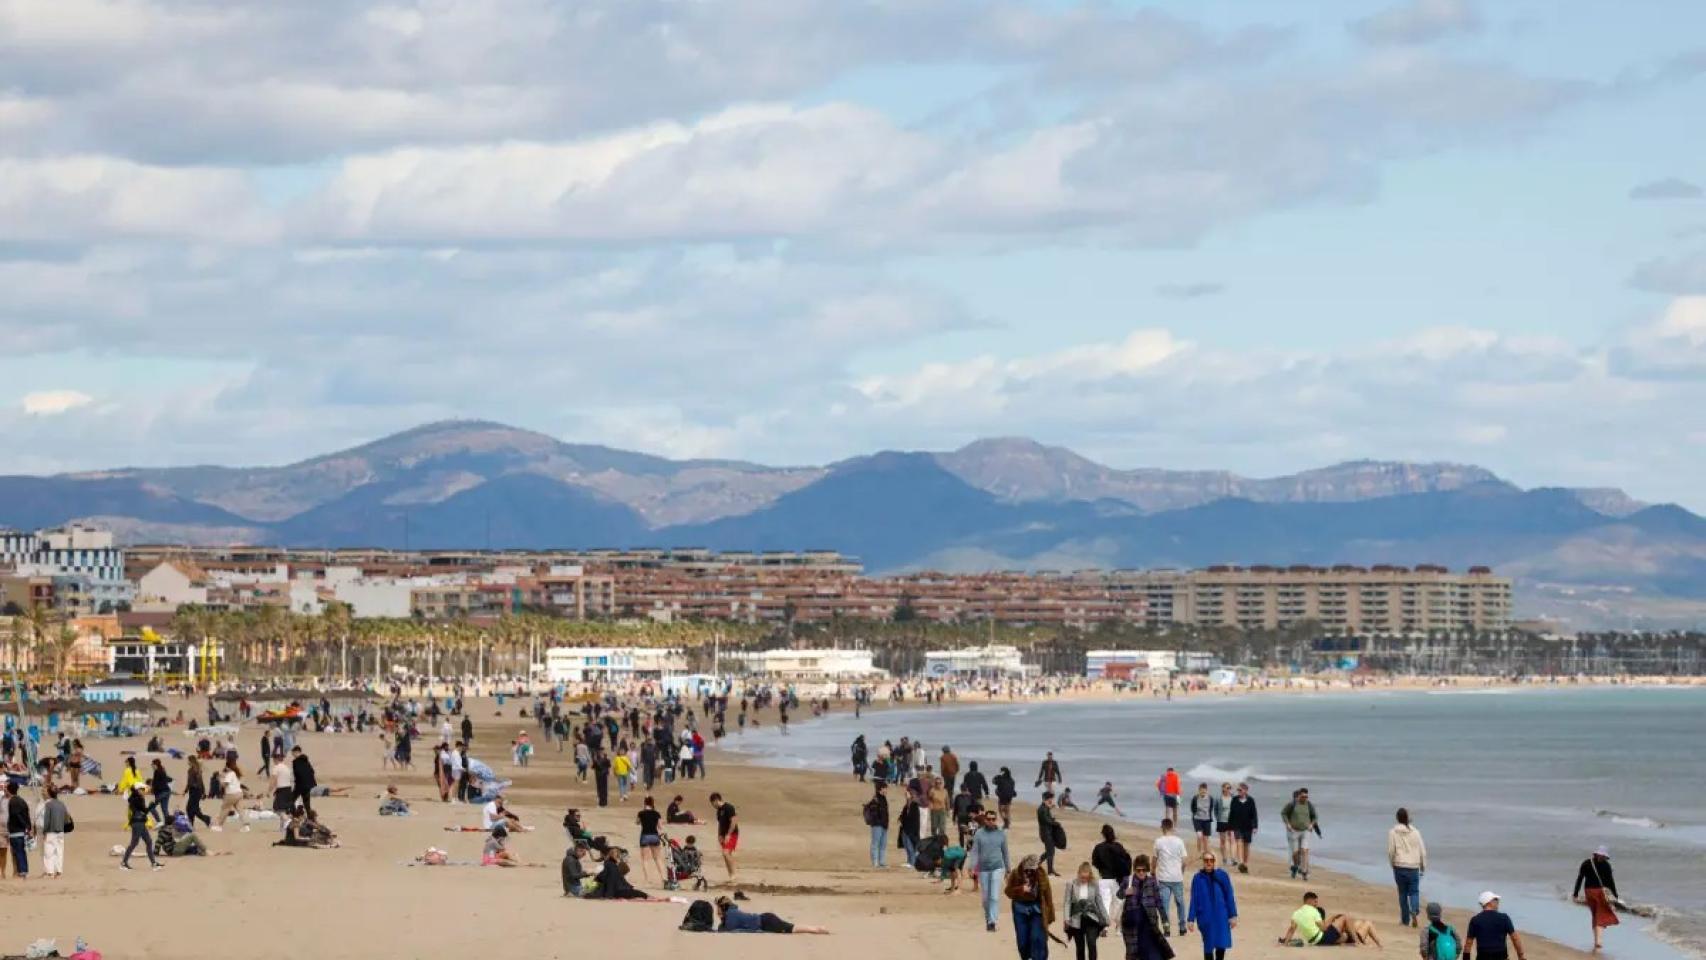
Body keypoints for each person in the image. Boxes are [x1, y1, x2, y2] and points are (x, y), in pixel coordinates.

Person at [1279, 892, 1383, 948]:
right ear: (1309, 901)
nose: (1316, 904)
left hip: (1314, 940)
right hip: (1321, 938)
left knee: (1356, 924)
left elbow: (1291, 930)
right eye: (1315, 902)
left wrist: (1285, 943)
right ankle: (1360, 943)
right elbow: (1324, 928)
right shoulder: (1313, 911)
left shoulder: (1296, 913)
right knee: (1349, 919)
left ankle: (1358, 941)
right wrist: (1332, 918)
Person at [1120, 854, 1174, 960]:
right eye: (1138, 870)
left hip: (1149, 922)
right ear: (1134, 869)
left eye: (1144, 870)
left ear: (1147, 870)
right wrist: (1125, 892)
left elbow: (1158, 901)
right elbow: (1118, 895)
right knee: (1133, 953)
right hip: (1132, 922)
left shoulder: (1152, 881)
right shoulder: (1127, 880)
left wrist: (1165, 921)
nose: (1141, 873)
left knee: (1151, 952)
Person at [1006, 854, 1057, 960]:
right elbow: (1008, 892)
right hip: (1020, 911)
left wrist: (1050, 916)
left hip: (1037, 911)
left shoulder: (1041, 875)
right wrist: (1021, 889)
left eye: (1032, 869)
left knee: (1037, 938)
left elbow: (1048, 896)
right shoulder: (1016, 873)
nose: (1029, 871)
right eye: (1027, 869)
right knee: (1022, 942)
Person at [1187, 853, 1237, 960]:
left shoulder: (1222, 875)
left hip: (1221, 916)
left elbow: (1229, 895)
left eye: (1211, 860)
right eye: (1206, 860)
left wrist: (1233, 915)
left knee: (1221, 943)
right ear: (1203, 862)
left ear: (1215, 861)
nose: (1209, 863)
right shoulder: (1197, 878)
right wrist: (1191, 919)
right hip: (1205, 917)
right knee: (1208, 946)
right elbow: (1194, 899)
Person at [970, 809, 1013, 932]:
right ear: (985, 820)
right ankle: (988, 916)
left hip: (997, 867)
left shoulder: (1001, 834)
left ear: (996, 820)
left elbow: (1005, 852)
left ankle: (992, 922)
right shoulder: (979, 834)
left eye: (993, 819)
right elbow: (975, 852)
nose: (991, 821)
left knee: (994, 896)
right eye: (988, 819)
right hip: (983, 869)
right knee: (985, 898)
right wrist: (972, 867)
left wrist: (1008, 870)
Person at [1572, 846, 1620, 950]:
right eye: (1602, 856)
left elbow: (1580, 878)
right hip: (1599, 893)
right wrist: (1615, 895)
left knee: (1595, 915)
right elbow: (1610, 882)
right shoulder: (1607, 865)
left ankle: (1596, 941)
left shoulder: (1586, 863)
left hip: (1588, 892)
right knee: (1601, 915)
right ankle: (1599, 941)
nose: (1602, 858)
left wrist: (1575, 893)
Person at [1388, 808, 1427, 927]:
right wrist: (1423, 866)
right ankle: (1414, 910)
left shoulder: (1393, 832)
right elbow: (1422, 851)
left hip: (1399, 865)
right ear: (1408, 818)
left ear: (1397, 818)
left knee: (1402, 893)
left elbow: (1391, 851)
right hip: (1413, 866)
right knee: (1414, 892)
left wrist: (1392, 864)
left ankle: (1405, 920)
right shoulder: (1416, 832)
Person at [1066, 861, 1112, 960]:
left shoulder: (1094, 884)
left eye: (1086, 878)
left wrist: (1106, 918)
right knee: (1080, 948)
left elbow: (1099, 902)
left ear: (1089, 876)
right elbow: (1067, 903)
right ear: (1078, 874)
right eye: (1082, 877)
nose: (1084, 880)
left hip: (1091, 918)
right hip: (1076, 918)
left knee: (1092, 944)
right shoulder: (1071, 884)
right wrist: (1066, 919)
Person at [714, 895, 830, 934]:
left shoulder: (731, 915)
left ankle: (816, 929)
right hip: (765, 918)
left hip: (766, 922)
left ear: (722, 908)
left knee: (792, 929)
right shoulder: (732, 912)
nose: (716, 911)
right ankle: (816, 928)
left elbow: (730, 929)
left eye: (718, 908)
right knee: (791, 927)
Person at [1464, 893, 1524, 960]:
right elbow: (1515, 938)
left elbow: (1468, 943)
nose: (1498, 902)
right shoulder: (1504, 918)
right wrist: (1520, 956)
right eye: (1495, 899)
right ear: (1489, 903)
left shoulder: (1475, 920)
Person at [1153, 819, 1188, 933]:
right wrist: (1181, 871)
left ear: (1162, 827)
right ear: (1172, 827)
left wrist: (1153, 871)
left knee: (1165, 904)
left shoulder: (1158, 841)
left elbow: (1154, 859)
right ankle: (1182, 926)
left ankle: (1166, 926)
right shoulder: (1179, 841)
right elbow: (1184, 861)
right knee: (1180, 902)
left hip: (1164, 877)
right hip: (1176, 877)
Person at [1281, 788, 1320, 881]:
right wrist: (1287, 824)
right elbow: (1283, 813)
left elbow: (1315, 816)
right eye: (1303, 796)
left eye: (1306, 797)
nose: (1305, 798)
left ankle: (1304, 871)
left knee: (1304, 850)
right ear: (1299, 796)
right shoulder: (1292, 804)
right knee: (1295, 853)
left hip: (1306, 830)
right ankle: (1295, 866)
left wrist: (1311, 825)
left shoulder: (1309, 805)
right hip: (1294, 831)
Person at [121, 784, 162, 871]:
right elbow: (144, 811)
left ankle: (153, 863)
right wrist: (152, 806)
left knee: (149, 841)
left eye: (144, 789)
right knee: (134, 843)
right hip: (137, 823)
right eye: (142, 789)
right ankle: (124, 863)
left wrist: (152, 806)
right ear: (138, 790)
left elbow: (144, 811)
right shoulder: (137, 799)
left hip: (140, 823)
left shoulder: (136, 798)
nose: (144, 791)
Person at [38, 785, 69, 879]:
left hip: (51, 831)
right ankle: (59, 872)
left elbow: (47, 820)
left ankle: (49, 872)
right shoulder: (62, 804)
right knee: (59, 852)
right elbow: (66, 818)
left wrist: (44, 831)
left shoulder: (49, 804)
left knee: (48, 852)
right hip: (60, 831)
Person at [1227, 784, 1257, 875]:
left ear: (1245, 790)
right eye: (1238, 790)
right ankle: (1240, 862)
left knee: (1246, 845)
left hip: (1248, 826)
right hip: (1237, 826)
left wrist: (1255, 826)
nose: (1239, 792)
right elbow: (1231, 814)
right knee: (1239, 842)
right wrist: (1229, 827)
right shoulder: (1234, 800)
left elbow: (1254, 814)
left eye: (1240, 790)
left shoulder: (1251, 800)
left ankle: (1245, 863)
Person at [5, 781, 31, 879]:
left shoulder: (13, 801)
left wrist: (25, 826)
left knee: (18, 852)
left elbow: (17, 816)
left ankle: (22, 872)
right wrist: (28, 827)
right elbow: (27, 815)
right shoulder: (22, 800)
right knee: (21, 851)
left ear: (9, 790)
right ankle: (24, 871)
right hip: (20, 831)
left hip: (16, 831)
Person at [636, 795, 665, 883]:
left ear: (645, 803)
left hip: (645, 835)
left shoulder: (641, 813)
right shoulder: (656, 813)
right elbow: (660, 827)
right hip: (654, 836)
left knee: (645, 859)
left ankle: (647, 878)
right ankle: (663, 877)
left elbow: (637, 822)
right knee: (657, 858)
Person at [711, 792, 738, 880]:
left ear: (716, 800)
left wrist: (728, 835)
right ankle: (730, 874)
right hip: (723, 835)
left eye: (712, 803)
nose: (713, 806)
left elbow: (733, 821)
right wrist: (719, 835)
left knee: (726, 853)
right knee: (726, 855)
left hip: (732, 833)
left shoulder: (729, 807)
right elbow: (720, 824)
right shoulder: (719, 811)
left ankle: (734, 874)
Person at [865, 782, 891, 868]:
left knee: (883, 844)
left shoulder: (883, 798)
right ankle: (875, 862)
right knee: (875, 843)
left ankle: (882, 862)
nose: (887, 790)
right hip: (877, 825)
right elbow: (874, 814)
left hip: (884, 825)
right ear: (881, 789)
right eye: (885, 788)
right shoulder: (875, 799)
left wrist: (886, 823)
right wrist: (879, 822)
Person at [1189, 784, 1217, 859]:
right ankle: (1199, 852)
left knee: (1206, 838)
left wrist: (1209, 816)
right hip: (1197, 819)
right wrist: (1195, 813)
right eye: (1201, 791)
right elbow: (1192, 808)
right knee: (1199, 836)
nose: (1203, 792)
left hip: (1207, 820)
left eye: (1204, 791)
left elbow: (1211, 808)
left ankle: (1205, 852)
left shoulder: (1210, 798)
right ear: (1199, 790)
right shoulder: (1195, 798)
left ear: (1207, 791)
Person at [1039, 791, 1063, 876]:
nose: (1051, 801)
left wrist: (1052, 818)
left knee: (1050, 851)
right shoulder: (1042, 809)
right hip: (1045, 834)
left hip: (1048, 833)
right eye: (1050, 799)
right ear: (1046, 799)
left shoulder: (1045, 808)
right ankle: (1050, 871)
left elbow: (1048, 819)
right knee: (1050, 852)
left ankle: (1038, 863)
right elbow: (1046, 820)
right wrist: (1055, 823)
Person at [291, 747, 318, 815]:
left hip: (300, 785)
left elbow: (297, 773)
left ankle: (294, 813)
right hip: (308, 784)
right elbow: (312, 771)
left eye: (293, 753)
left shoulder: (296, 762)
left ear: (297, 752)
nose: (293, 755)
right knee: (306, 802)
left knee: (291, 800)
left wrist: (298, 783)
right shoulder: (306, 760)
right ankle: (309, 816)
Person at [147, 758, 174, 822]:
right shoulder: (161, 770)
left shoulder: (157, 772)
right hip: (167, 792)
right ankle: (168, 824)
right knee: (164, 809)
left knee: (151, 807)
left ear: (155, 765)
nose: (152, 766)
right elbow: (169, 779)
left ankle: (159, 822)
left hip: (162, 793)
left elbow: (157, 785)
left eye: (152, 765)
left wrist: (152, 790)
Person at [1215, 784, 1235, 868]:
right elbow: (1215, 810)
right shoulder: (1219, 799)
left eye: (1229, 788)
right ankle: (1224, 858)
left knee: (1232, 839)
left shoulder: (1233, 798)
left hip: (1231, 821)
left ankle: (1233, 859)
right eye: (1226, 788)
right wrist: (1218, 818)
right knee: (1223, 841)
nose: (1227, 789)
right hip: (1221, 821)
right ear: (1223, 788)